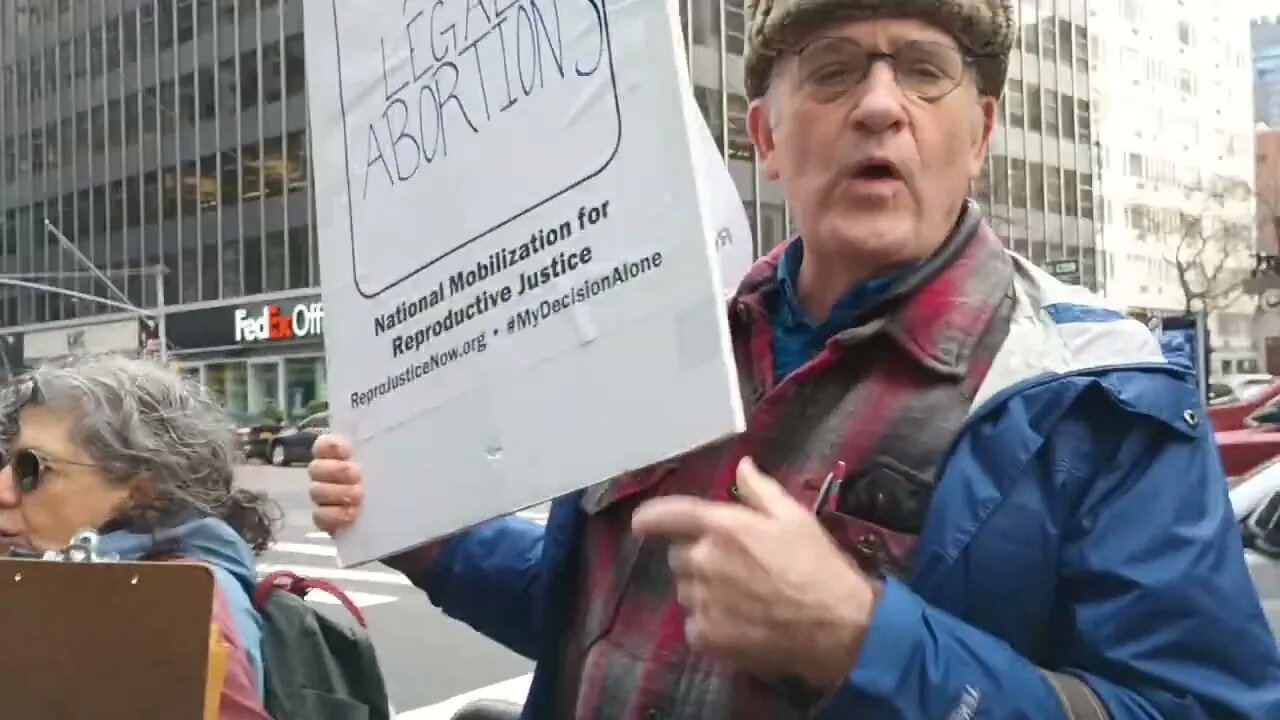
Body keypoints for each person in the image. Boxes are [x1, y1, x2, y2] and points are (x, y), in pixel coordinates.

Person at [310, 0, 1280, 717]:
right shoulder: (653, 340)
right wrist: (422, 531)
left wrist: (862, 642)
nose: (877, 107)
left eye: (921, 69)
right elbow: (597, 617)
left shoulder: (1090, 398)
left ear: (979, 134)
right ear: (766, 139)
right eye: (830, 67)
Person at [0, 354, 276, 720]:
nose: (3, 489)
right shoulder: (116, 585)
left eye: (31, 468)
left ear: (141, 491)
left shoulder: (168, 606)